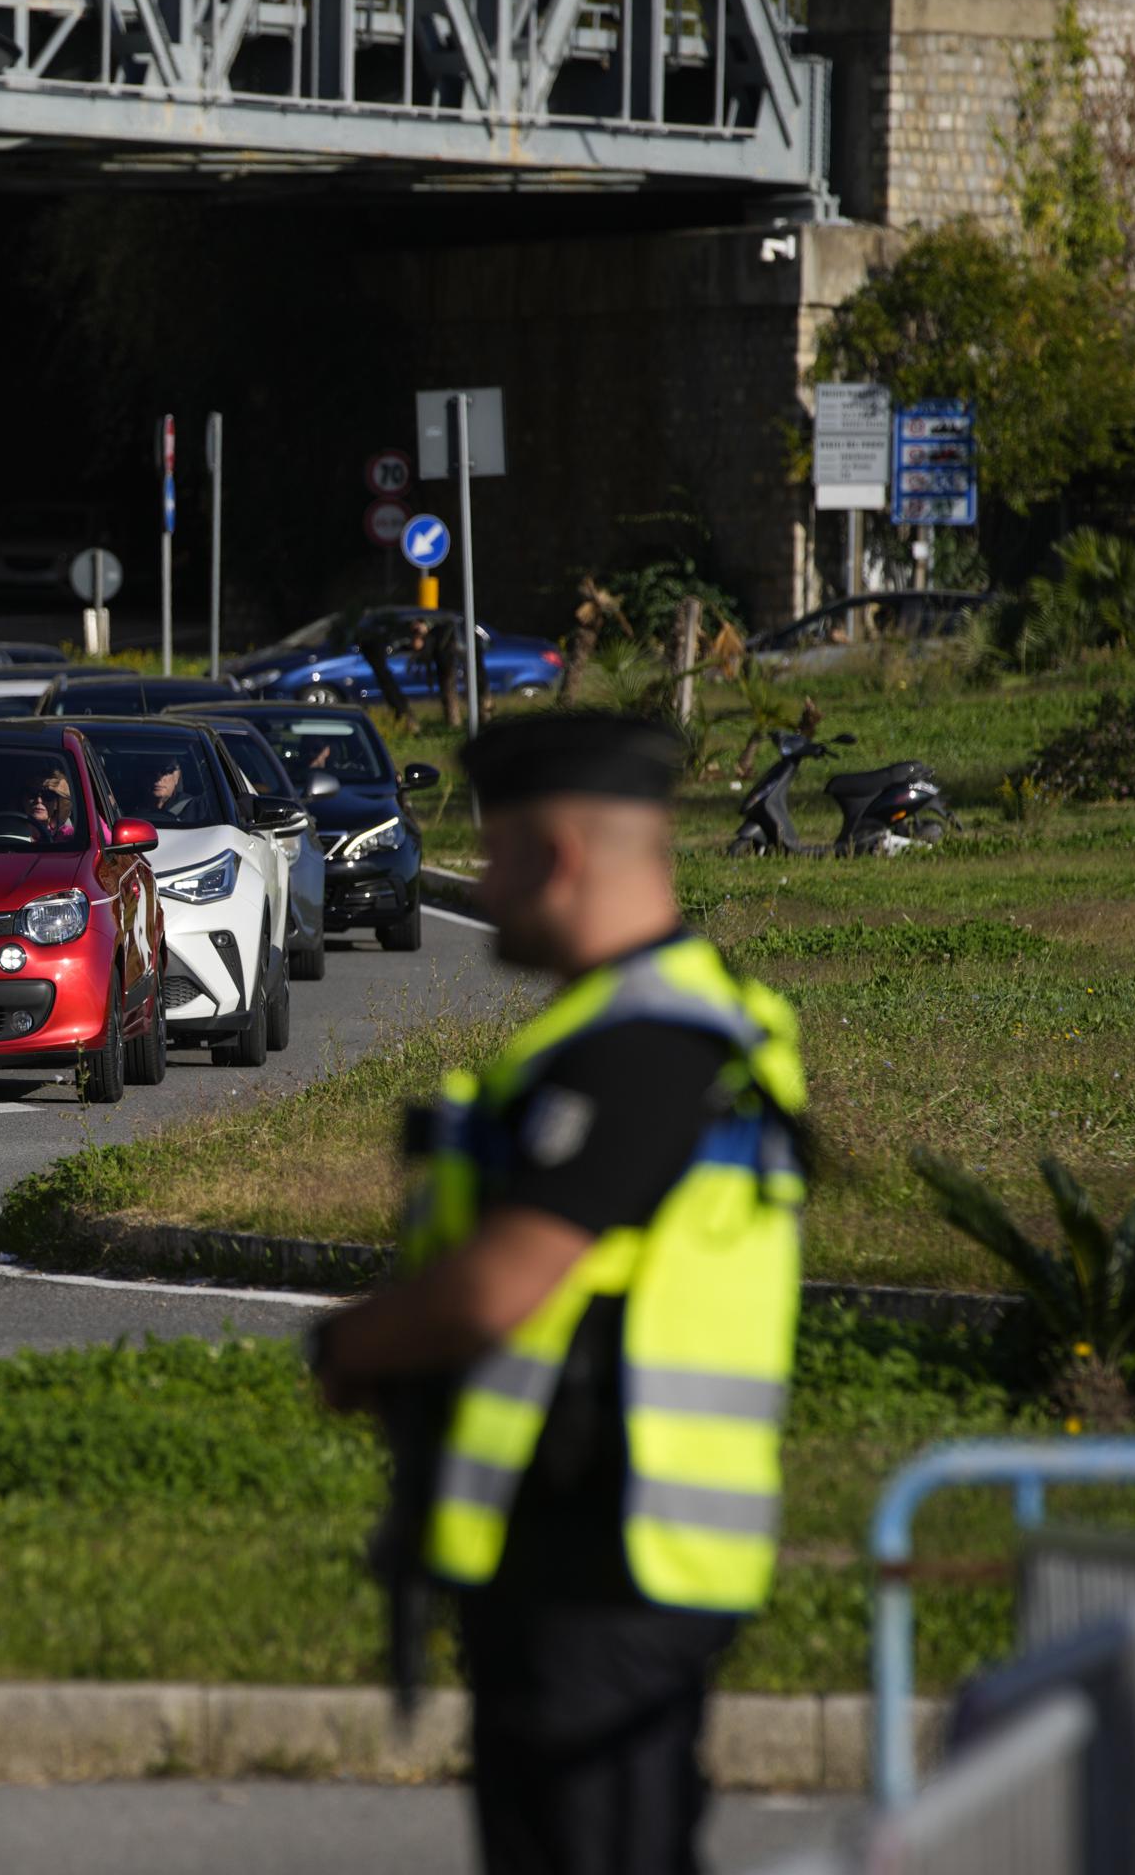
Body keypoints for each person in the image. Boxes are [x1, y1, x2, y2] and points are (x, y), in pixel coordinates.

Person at [307, 712, 806, 1875]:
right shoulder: (639, 1023)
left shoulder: (647, 1044)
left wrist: (351, 1345)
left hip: (612, 1561)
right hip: (590, 1556)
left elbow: (506, 1280)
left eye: (497, 853)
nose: (482, 884)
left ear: (561, 859)